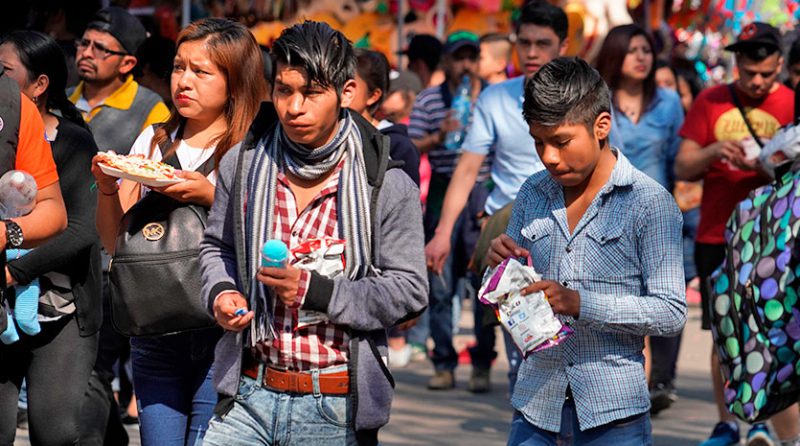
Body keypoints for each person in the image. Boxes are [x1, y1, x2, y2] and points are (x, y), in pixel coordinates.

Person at [199, 20, 427, 445]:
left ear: (345, 93)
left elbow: (410, 289)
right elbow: (217, 247)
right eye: (284, 91)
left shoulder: (386, 184)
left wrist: (318, 292)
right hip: (248, 393)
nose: (294, 107)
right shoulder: (242, 166)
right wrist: (221, 291)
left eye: (312, 93)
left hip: (333, 403)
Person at [489, 56, 685, 445]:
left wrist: (581, 303)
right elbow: (510, 297)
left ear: (601, 126)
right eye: (539, 143)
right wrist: (500, 272)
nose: (548, 156)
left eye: (561, 142)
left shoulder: (649, 203)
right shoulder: (532, 192)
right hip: (535, 406)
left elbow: (671, 311)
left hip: (614, 415)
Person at [90, 18, 265, 446]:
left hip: (224, 333)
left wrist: (210, 195)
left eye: (201, 72)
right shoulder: (153, 141)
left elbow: (269, 237)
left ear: (236, 80)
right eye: (178, 67)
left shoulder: (256, 148)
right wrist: (109, 188)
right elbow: (114, 240)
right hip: (155, 326)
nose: (184, 81)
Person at [423, 1, 568, 394]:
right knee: (522, 347)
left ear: (563, 46)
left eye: (544, 43)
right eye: (525, 42)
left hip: (572, 233)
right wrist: (443, 232)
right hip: (511, 235)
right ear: (514, 44)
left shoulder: (584, 95)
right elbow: (467, 169)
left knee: (569, 347)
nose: (533, 52)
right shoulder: (495, 99)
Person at [674, 22, 800, 446]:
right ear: (736, 65)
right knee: (724, 331)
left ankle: (767, 418)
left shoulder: (792, 101)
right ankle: (727, 422)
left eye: (766, 73)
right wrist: (714, 151)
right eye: (749, 73)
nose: (758, 82)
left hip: (776, 242)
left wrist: (765, 164)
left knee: (778, 332)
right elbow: (682, 166)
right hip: (718, 235)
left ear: (780, 65)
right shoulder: (711, 101)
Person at [72, 7, 171, 444]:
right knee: (82, 370)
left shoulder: (152, 112)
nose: (86, 53)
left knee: (95, 365)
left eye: (100, 48)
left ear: (127, 62)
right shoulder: (57, 95)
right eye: (83, 43)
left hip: (109, 263)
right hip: (52, 256)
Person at [595, 24, 686, 415]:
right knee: (620, 299)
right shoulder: (597, 102)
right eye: (632, 50)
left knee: (664, 296)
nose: (641, 57)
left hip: (659, 213)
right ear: (615, 54)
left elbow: (676, 160)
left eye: (646, 49)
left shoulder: (668, 102)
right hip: (607, 213)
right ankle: (621, 382)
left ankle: (661, 380)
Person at [0, 31, 83, 446]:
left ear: (39, 84)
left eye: (6, 69)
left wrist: (15, 268)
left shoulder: (69, 138)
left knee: (55, 432)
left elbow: (76, 227)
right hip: (7, 299)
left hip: (59, 305)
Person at [407, 29, 489, 390]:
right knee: (439, 282)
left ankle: (482, 363)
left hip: (481, 193)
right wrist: (439, 135)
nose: (466, 66)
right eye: (459, 58)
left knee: (485, 281)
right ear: (447, 62)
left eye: (472, 58)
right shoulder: (428, 100)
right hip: (442, 188)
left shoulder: (489, 98)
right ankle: (444, 362)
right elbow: (410, 147)